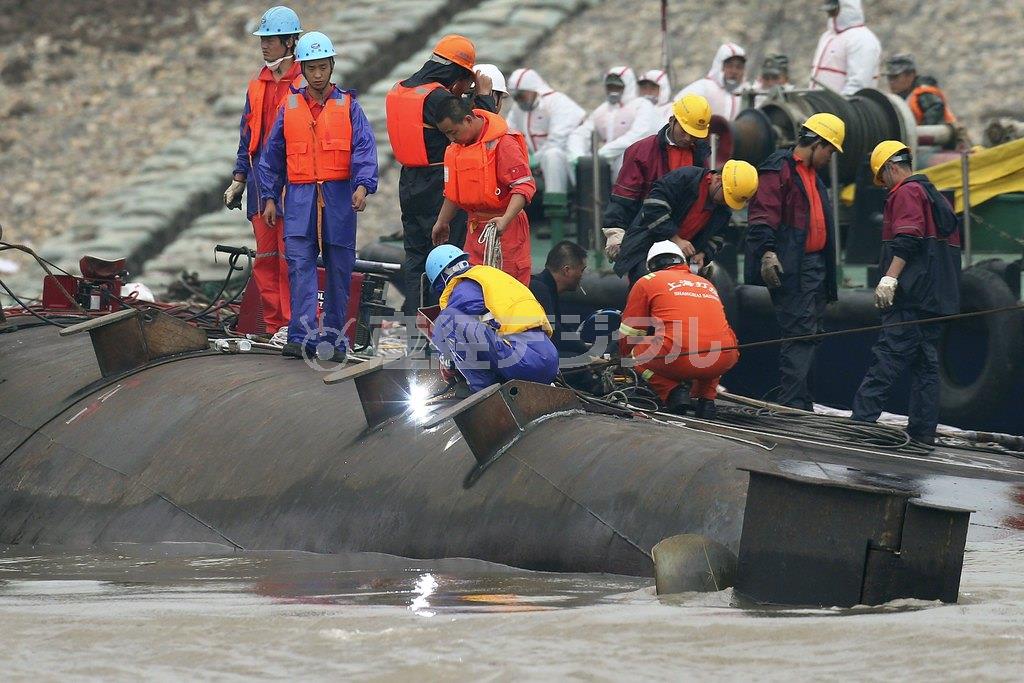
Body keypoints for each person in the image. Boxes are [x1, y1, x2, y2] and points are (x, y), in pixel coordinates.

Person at [257, 31, 378, 362]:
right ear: (303, 69)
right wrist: (270, 197)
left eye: (323, 67)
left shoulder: (349, 106)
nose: (318, 74)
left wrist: (363, 186)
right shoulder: (289, 107)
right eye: (311, 68)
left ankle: (335, 340)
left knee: (339, 268)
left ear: (332, 66)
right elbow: (272, 156)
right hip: (299, 196)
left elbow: (364, 148)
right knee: (299, 266)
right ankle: (300, 336)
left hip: (338, 197)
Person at [851, 141, 962, 445]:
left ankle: (860, 425)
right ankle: (923, 434)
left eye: (882, 178)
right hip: (934, 301)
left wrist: (890, 277)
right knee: (926, 367)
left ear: (890, 167)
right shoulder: (933, 194)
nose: (884, 185)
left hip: (911, 299)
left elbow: (908, 237)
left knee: (886, 358)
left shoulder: (906, 193)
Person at [385, 35, 497, 317]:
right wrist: (484, 96)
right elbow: (474, 130)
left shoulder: (399, 89)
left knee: (416, 259)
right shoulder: (437, 98)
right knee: (448, 257)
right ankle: (446, 323)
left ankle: (415, 325)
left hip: (408, 183)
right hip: (439, 184)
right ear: (457, 75)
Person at [744, 113, 845, 409]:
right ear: (817, 143)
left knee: (811, 335)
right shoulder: (779, 170)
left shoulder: (812, 176)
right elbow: (762, 215)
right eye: (830, 151)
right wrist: (767, 253)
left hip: (815, 268)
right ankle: (793, 406)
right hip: (793, 269)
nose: (830, 158)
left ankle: (802, 402)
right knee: (800, 335)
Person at [224, 6, 303, 338]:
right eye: (263, 39)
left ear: (289, 42)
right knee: (267, 258)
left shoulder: (304, 83)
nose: (264, 45)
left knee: (291, 259)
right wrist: (238, 179)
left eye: (271, 39)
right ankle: (273, 327)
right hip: (260, 185)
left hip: (294, 185)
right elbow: (248, 135)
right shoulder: (257, 85)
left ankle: (293, 325)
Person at [619, 241, 739, 418]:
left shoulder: (647, 282)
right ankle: (706, 400)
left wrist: (623, 361)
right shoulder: (705, 283)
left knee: (635, 355)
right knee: (715, 343)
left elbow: (631, 331)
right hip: (724, 358)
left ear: (650, 266)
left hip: (679, 356)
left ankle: (673, 392)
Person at [430, 96, 536, 285]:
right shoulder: (458, 148)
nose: (451, 139)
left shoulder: (504, 143)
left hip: (505, 230)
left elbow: (524, 186)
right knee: (475, 283)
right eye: (446, 134)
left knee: (508, 285)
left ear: (468, 120)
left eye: (453, 132)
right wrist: (442, 221)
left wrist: (505, 220)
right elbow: (454, 191)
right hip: (475, 230)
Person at [426, 245, 559, 393]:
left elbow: (450, 332)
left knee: (447, 319)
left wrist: (445, 359)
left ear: (442, 277)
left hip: (521, 362)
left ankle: (483, 393)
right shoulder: (490, 276)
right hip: (549, 360)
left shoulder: (463, 289)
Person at [603, 94, 713, 261]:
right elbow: (624, 197)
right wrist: (615, 234)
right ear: (672, 121)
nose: (688, 139)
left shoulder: (700, 156)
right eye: (684, 131)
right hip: (645, 237)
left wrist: (702, 251)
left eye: (693, 134)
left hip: (683, 244)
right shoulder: (641, 152)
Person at [614, 159, 758, 285]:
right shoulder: (685, 178)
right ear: (718, 180)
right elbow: (653, 208)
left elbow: (717, 236)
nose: (727, 202)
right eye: (726, 197)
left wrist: (703, 255)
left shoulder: (722, 208)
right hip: (646, 249)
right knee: (647, 285)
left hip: (681, 261)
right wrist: (675, 239)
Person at [506, 68, 586, 228]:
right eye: (515, 96)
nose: (519, 100)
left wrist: (534, 160)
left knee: (552, 155)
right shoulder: (518, 109)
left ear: (533, 89)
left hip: (567, 168)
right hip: (536, 170)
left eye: (521, 95)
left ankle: (559, 215)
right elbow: (508, 134)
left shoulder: (558, 102)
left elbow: (557, 140)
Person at [567, 67, 653, 171]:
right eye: (610, 87)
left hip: (635, 163)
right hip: (605, 163)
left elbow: (639, 135)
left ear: (628, 86)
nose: (613, 91)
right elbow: (581, 133)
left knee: (625, 159)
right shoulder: (601, 111)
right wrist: (577, 155)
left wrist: (603, 153)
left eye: (618, 87)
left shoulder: (642, 106)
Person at [809, 0, 881, 96]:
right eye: (829, 12)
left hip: (843, 104)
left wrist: (842, 103)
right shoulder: (827, 36)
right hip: (821, 103)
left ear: (847, 8)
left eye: (834, 11)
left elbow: (858, 85)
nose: (830, 16)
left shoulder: (863, 39)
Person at [529, 240, 590, 355]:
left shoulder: (547, 289)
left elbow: (561, 326)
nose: (582, 275)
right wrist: (587, 352)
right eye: (581, 270)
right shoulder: (539, 290)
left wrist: (583, 345)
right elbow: (555, 334)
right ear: (567, 270)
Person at [674, 43, 746, 121]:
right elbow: (677, 106)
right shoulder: (704, 87)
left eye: (739, 67)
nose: (734, 71)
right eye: (729, 66)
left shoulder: (744, 93)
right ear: (720, 66)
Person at [884, 54, 956, 125]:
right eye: (889, 78)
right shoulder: (900, 97)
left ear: (911, 75)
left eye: (895, 77)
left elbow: (936, 110)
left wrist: (921, 128)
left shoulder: (924, 93)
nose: (891, 82)